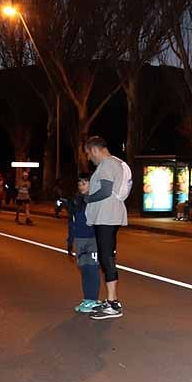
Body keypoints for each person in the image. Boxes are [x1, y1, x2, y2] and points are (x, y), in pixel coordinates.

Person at [83, 136, 133, 320]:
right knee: (107, 256)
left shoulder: (106, 165)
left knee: (107, 258)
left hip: (107, 216)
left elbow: (105, 190)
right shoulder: (114, 163)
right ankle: (111, 300)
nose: (89, 158)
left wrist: (88, 198)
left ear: (95, 150)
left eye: (88, 153)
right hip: (108, 216)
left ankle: (113, 303)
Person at [66, 174, 102, 313]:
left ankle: (93, 300)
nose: (82, 186)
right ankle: (87, 299)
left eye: (85, 183)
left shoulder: (96, 200)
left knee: (92, 269)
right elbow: (72, 221)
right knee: (84, 270)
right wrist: (70, 241)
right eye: (80, 183)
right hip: (80, 239)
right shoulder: (76, 200)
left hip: (93, 239)